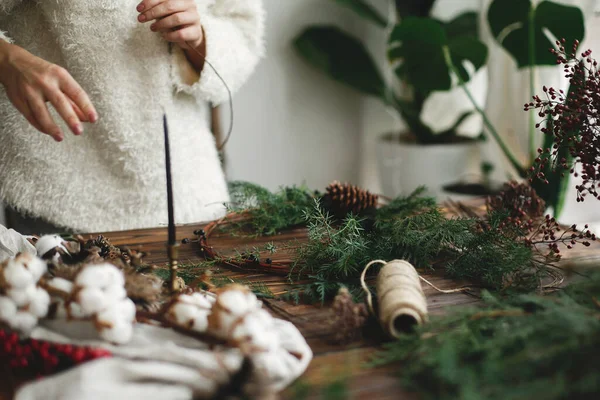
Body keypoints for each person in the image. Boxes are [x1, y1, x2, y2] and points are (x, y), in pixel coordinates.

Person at [0, 0, 265, 234]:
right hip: (55, 189)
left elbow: (243, 30)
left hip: (188, 193)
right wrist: (8, 60)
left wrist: (200, 38)